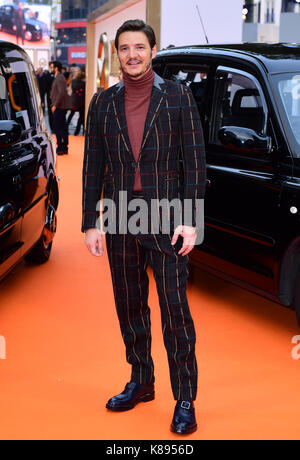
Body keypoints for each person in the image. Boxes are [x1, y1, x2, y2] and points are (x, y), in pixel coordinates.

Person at [81, 20, 206, 434]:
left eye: (139, 46)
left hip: (168, 217)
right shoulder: (103, 102)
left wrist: (191, 220)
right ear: (117, 54)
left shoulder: (178, 97)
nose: (132, 54)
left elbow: (195, 163)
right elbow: (92, 166)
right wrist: (90, 223)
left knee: (175, 311)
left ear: (152, 50)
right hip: (119, 217)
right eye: (124, 48)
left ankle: (184, 397)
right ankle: (141, 381)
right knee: (129, 306)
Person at [50, 61, 69, 155]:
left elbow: (61, 93)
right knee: (62, 127)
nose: (51, 69)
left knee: (58, 128)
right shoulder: (59, 77)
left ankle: (61, 147)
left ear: (56, 68)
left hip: (59, 107)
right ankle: (63, 146)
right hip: (60, 106)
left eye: (52, 67)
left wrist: (55, 105)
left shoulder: (60, 78)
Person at [67, 68, 86, 136]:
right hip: (81, 103)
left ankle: (66, 127)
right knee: (81, 117)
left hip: (74, 101)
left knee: (71, 115)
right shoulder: (84, 83)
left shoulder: (73, 81)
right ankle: (78, 132)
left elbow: (71, 89)